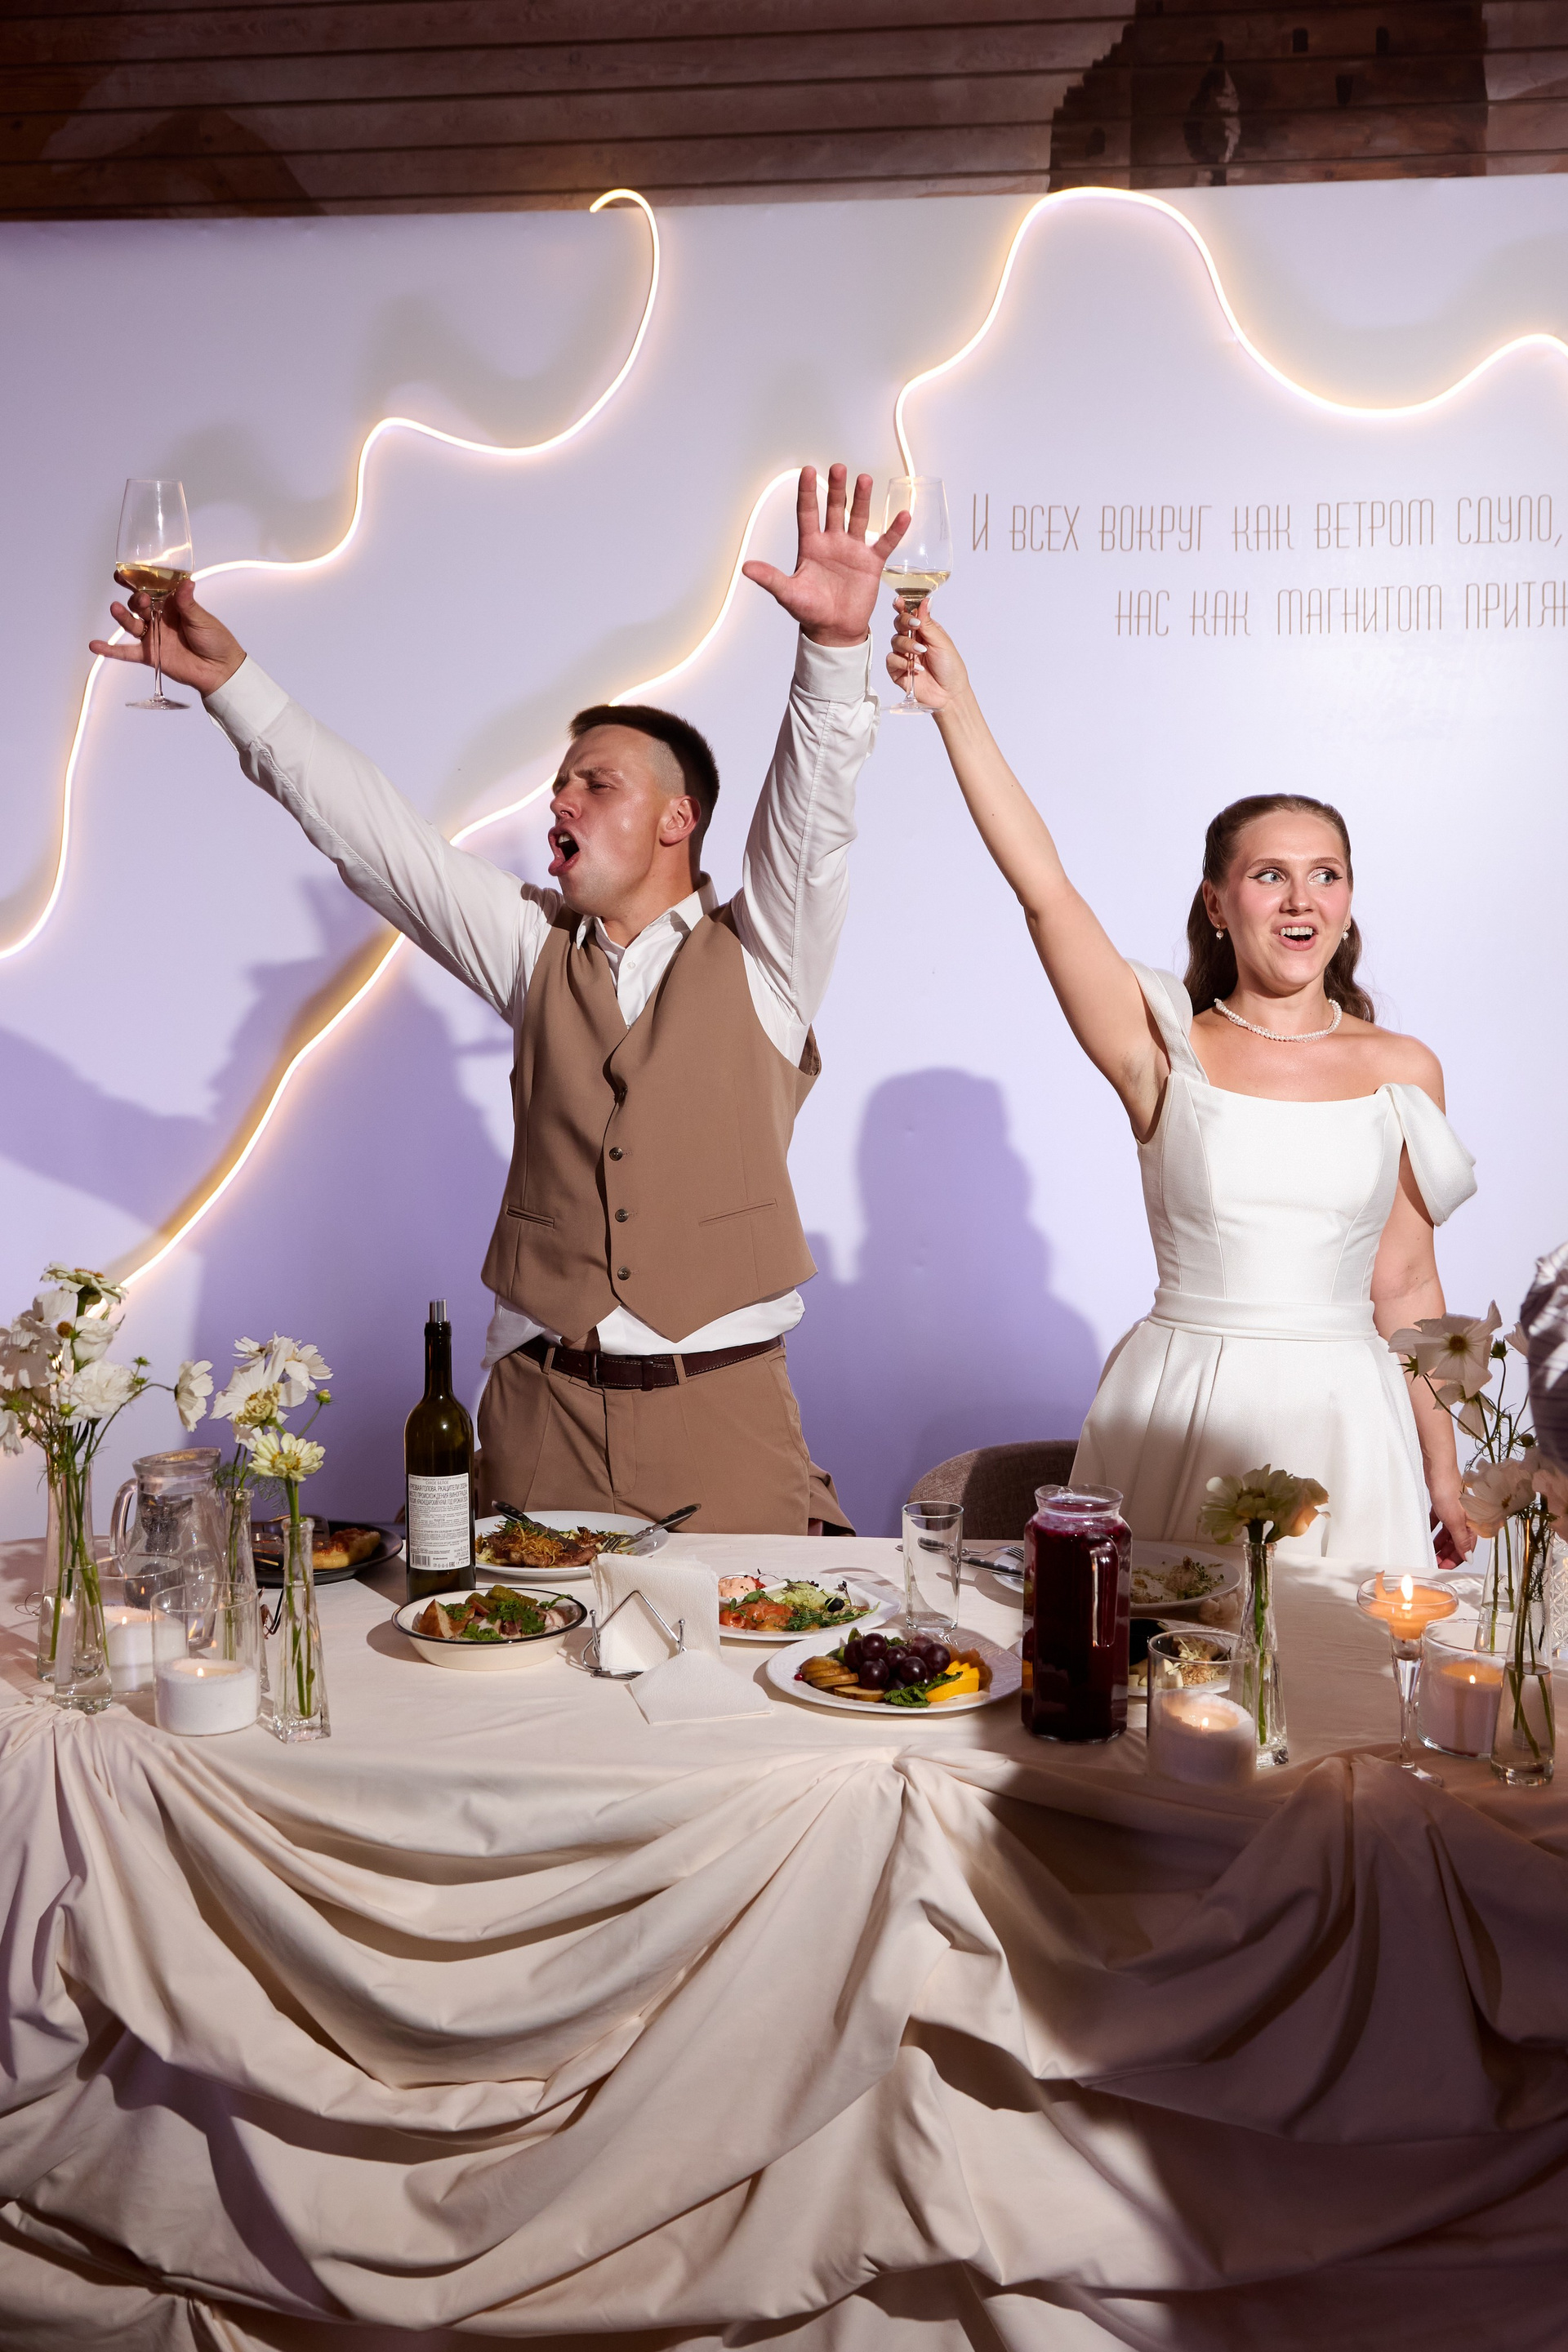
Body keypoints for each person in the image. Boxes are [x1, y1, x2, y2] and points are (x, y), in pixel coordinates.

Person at [92, 465, 908, 1535]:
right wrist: (233, 685)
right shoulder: (532, 948)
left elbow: (814, 814)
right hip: (539, 1417)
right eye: (560, 782)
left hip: (723, 1415)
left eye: (597, 782)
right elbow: (380, 841)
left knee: (748, 1649)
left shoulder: (766, 954)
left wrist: (835, 650)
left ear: (678, 821)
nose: (561, 798)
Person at [884, 600, 1477, 1568]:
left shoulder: (1403, 1068)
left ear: (1348, 901)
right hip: (1181, 1407)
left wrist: (1443, 1473)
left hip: (1349, 1419)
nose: (1302, 899)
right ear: (1217, 902)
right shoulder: (1162, 1045)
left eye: (1326, 875)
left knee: (1341, 1659)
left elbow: (1407, 1286)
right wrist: (958, 711)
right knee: (1159, 1651)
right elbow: (1046, 894)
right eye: (1271, 875)